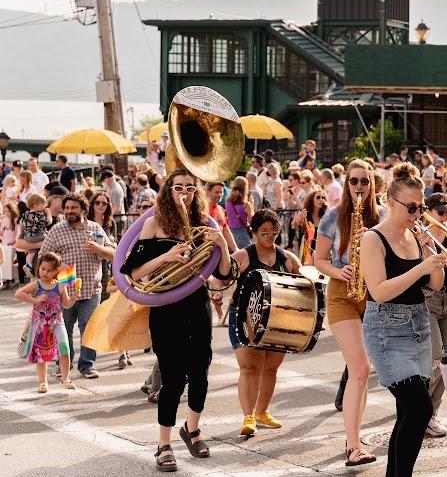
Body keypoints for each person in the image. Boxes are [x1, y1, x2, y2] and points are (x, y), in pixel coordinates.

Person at [120, 168, 232, 471]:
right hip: (166, 307)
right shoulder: (154, 224)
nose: (184, 193)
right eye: (178, 187)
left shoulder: (203, 225)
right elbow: (134, 272)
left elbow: (223, 273)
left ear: (197, 192)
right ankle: (163, 444)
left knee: (200, 373)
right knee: (172, 378)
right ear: (168, 190)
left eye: (190, 188)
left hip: (197, 303)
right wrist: (166, 257)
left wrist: (221, 244)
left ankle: (192, 429)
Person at [361, 163, 446, 477]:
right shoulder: (373, 239)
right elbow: (379, 291)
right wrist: (421, 268)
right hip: (386, 329)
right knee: (421, 409)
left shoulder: (416, 236)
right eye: (412, 207)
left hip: (419, 326)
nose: (418, 213)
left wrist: (432, 257)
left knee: (407, 412)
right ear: (391, 204)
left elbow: (434, 285)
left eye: (421, 207)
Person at [314, 158, 385, 466]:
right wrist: (337, 271)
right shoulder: (332, 216)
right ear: (347, 185)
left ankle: (352, 436)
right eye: (354, 182)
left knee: (363, 370)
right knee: (358, 367)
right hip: (342, 293)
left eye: (364, 182)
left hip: (374, 293)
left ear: (373, 184)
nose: (359, 187)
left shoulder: (383, 216)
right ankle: (353, 447)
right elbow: (318, 259)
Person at [226, 208, 301, 436]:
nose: (270, 236)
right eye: (264, 232)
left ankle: (262, 412)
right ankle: (248, 417)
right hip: (245, 318)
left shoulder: (287, 258)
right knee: (250, 367)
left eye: (274, 232)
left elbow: (305, 283)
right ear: (254, 232)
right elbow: (222, 277)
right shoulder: (243, 256)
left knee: (270, 368)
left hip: (277, 320)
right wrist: (220, 292)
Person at [40, 193, 116, 379]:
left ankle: (88, 365)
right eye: (67, 208)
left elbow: (113, 253)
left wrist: (98, 248)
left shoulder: (95, 228)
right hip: (64, 291)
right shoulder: (57, 230)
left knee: (89, 329)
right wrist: (58, 265)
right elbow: (43, 256)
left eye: (73, 208)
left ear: (83, 209)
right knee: (63, 328)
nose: (69, 211)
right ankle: (62, 365)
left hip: (91, 288)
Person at [15, 252, 79, 393]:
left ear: (56, 271)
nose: (45, 272)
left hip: (57, 322)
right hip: (40, 324)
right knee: (40, 353)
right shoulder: (36, 285)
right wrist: (35, 300)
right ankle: (43, 382)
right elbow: (18, 293)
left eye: (49, 270)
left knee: (65, 348)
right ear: (38, 268)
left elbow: (66, 304)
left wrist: (73, 298)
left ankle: (65, 379)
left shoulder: (60, 286)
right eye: (42, 269)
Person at [421, 193, 447, 438]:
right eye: (441, 212)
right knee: (436, 359)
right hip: (428, 300)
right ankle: (422, 412)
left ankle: (431, 413)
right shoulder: (421, 236)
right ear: (429, 213)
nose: (446, 217)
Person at [293, 188, 328, 266]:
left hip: (322, 253)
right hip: (307, 254)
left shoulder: (325, 216)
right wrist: (298, 220)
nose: (321, 200)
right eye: (318, 197)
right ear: (311, 200)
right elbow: (298, 234)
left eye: (323, 198)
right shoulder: (305, 216)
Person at [21, 193, 52, 278]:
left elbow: (22, 225)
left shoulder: (25, 214)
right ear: (36, 205)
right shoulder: (40, 215)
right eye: (44, 204)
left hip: (28, 237)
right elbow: (49, 222)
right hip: (38, 236)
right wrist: (48, 213)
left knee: (31, 252)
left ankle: (28, 264)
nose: (45, 206)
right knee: (49, 238)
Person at [226, 176, 254, 249]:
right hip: (242, 234)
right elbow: (253, 220)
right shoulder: (246, 205)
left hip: (230, 234)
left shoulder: (228, 202)